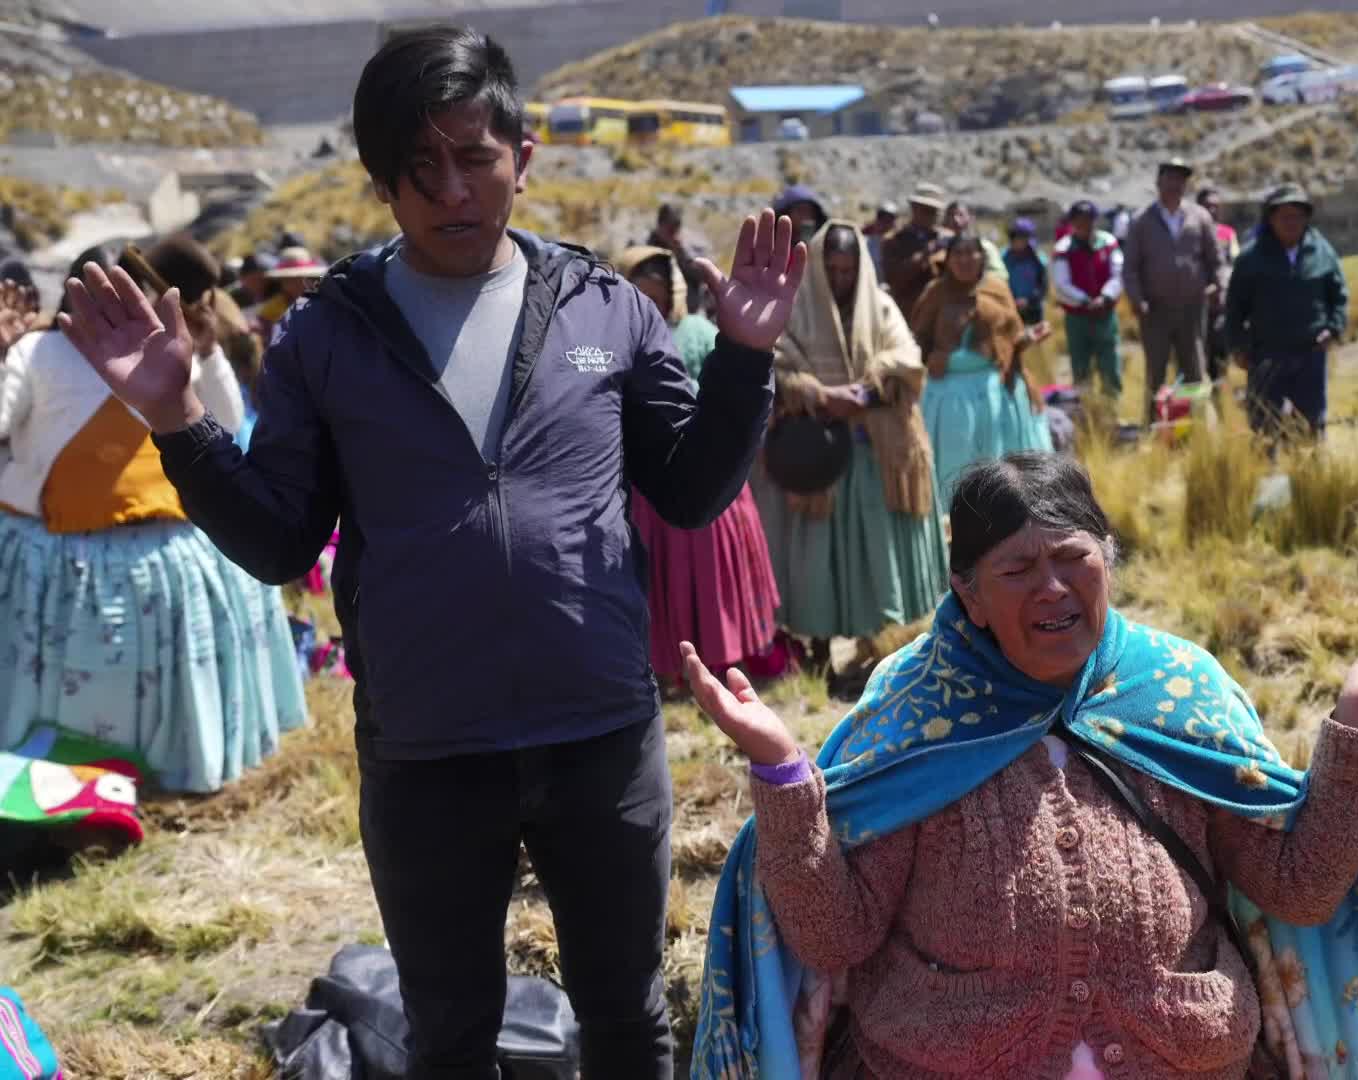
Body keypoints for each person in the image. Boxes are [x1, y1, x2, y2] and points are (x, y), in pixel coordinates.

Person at [57, 27, 805, 1077]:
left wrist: (746, 357)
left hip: (600, 734)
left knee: (628, 1018)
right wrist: (178, 418)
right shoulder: (329, 334)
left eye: (476, 158)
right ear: (381, 186)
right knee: (450, 1031)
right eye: (421, 170)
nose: (453, 190)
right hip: (425, 750)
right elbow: (279, 541)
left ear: (523, 159)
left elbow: (690, 491)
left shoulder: (605, 308)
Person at [687, 451, 1358, 1080]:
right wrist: (783, 772)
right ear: (968, 596)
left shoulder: (1178, 691)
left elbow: (1299, 888)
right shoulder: (917, 714)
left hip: (1175, 1055)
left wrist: (1354, 725)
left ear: (1107, 561)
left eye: (1073, 557)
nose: (1051, 586)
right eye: (1017, 569)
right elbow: (833, 936)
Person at [0, 236, 305, 793]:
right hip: (74, 553)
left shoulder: (170, 351)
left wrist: (208, 353)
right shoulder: (38, 354)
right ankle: (85, 779)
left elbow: (228, 423)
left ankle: (135, 777)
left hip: (161, 551)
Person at [756, 222, 945, 680]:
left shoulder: (880, 308)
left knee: (875, 555)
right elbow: (774, 363)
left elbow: (906, 358)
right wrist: (817, 394)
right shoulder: (796, 310)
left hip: (874, 455)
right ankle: (819, 648)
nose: (841, 279)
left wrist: (865, 389)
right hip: (817, 460)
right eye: (832, 270)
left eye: (848, 270)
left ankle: (880, 648)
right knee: (819, 560)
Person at [621, 245, 781, 686]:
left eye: (657, 296)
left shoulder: (694, 330)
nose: (650, 306)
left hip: (705, 471)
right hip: (651, 481)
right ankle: (672, 668)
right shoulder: (617, 335)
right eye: (640, 296)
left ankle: (720, 663)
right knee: (668, 582)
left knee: (711, 580)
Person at [911, 231, 1054, 503]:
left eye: (971, 253)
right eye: (958, 254)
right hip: (948, 395)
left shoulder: (997, 289)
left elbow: (1011, 339)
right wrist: (931, 357)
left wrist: (1028, 338)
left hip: (995, 391)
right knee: (955, 468)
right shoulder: (936, 293)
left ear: (983, 257)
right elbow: (917, 340)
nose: (965, 260)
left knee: (1000, 468)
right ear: (948, 259)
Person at [1225, 183, 1348, 441]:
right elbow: (1235, 306)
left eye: (1298, 216)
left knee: (1310, 424)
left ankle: (1307, 477)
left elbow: (1338, 295)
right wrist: (1238, 346)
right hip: (1266, 354)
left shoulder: (1322, 252)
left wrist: (1333, 328)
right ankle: (1267, 479)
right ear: (1270, 219)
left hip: (1310, 353)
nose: (1291, 222)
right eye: (1284, 216)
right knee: (1264, 426)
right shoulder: (1251, 257)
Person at [1123, 158, 1224, 423]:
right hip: (1155, 310)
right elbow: (1130, 267)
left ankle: (1195, 425)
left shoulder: (1199, 217)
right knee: (1156, 372)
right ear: (1158, 182)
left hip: (1192, 309)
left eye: (1180, 179)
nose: (1174, 184)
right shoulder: (1141, 220)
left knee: (1194, 369)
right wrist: (1137, 299)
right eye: (1169, 178)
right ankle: (1154, 427)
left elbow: (1216, 260)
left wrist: (1217, 286)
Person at [1051, 199, 1126, 400]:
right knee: (1081, 367)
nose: (1085, 225)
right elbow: (1061, 284)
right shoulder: (1063, 248)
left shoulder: (1108, 243)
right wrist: (1084, 300)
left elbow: (1118, 274)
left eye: (1089, 220)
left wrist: (1106, 296)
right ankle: (1085, 413)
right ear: (1072, 223)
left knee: (1110, 364)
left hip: (1105, 315)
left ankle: (1112, 411)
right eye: (1079, 220)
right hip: (1078, 318)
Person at [1198, 186, 1242, 389]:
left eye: (1216, 206)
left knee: (1220, 357)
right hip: (1195, 304)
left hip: (1221, 303)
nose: (1212, 210)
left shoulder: (1227, 233)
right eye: (1207, 206)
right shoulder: (1190, 231)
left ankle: (1221, 400)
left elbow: (1234, 264)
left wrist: (1222, 289)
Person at [881, 185, 948, 312]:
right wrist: (924, 256)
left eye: (933, 211)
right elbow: (893, 278)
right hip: (904, 310)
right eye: (925, 210)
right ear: (914, 208)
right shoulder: (894, 240)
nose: (930, 216)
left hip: (936, 313)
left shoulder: (947, 240)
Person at [647, 203, 707, 317]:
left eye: (676, 226)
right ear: (660, 225)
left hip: (688, 313)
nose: (673, 232)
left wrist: (680, 252)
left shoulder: (692, 245)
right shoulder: (646, 246)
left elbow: (702, 276)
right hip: (655, 313)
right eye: (669, 228)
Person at [253, 245, 326, 335]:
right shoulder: (271, 309)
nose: (294, 285)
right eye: (288, 280)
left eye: (300, 279)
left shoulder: (327, 301)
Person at [1002, 217, 1050, 327]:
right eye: (1020, 238)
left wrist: (1029, 301)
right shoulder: (1003, 257)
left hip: (1033, 308)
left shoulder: (1038, 258)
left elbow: (1043, 285)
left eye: (1026, 238)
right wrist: (1011, 300)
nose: (1023, 242)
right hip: (1009, 307)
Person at [942, 200, 1007, 281]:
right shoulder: (942, 246)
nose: (955, 219)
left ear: (971, 218)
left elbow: (1001, 275)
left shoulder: (985, 246)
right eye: (951, 215)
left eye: (960, 215)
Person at [862, 200, 898, 273]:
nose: (885, 225)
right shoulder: (865, 241)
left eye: (889, 221)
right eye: (883, 220)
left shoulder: (896, 243)